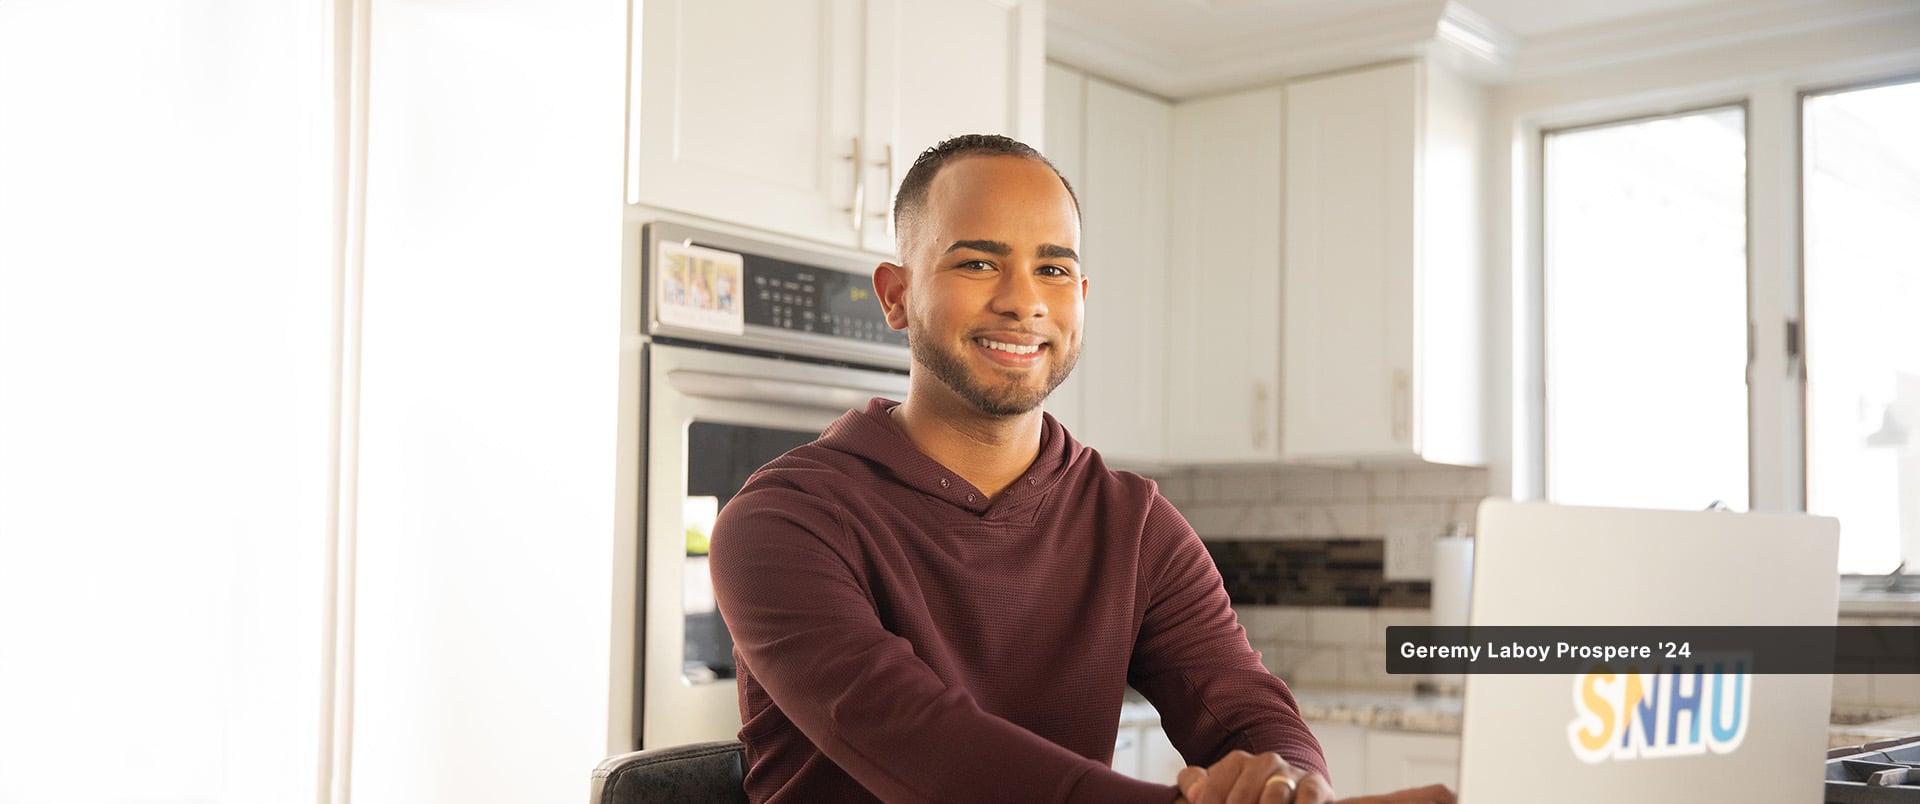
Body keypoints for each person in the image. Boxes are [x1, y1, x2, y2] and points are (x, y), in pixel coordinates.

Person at [709, 134, 1455, 804]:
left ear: (1082, 299)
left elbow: (1246, 711)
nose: (1023, 300)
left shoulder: (1133, 524)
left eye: (1054, 269)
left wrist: (1289, 784)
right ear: (897, 295)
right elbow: (929, 749)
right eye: (977, 261)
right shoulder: (780, 523)